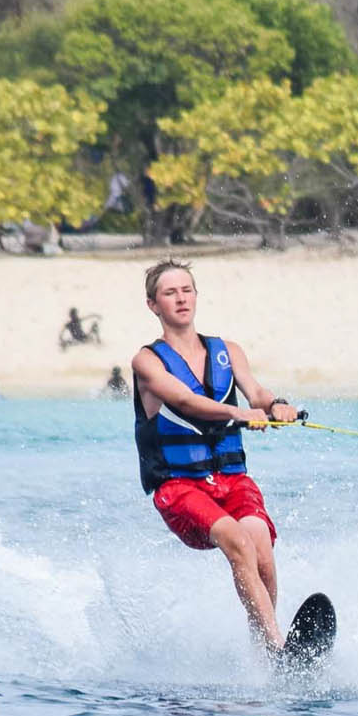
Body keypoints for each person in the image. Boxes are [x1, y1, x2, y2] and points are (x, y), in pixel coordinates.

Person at [131, 258, 305, 654]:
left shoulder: (227, 350)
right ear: (153, 305)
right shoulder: (147, 361)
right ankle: (277, 646)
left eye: (186, 290)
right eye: (169, 293)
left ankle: (266, 648)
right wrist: (238, 413)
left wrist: (277, 405)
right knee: (238, 540)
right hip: (179, 489)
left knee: (260, 543)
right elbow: (185, 400)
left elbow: (257, 394)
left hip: (231, 479)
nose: (180, 299)